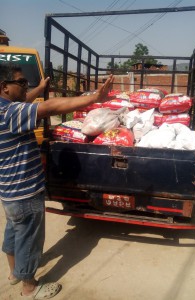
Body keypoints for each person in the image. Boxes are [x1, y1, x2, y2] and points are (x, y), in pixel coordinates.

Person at [0, 64, 114, 299]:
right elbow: (50, 107)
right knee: (30, 239)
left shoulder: (6, 107)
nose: (26, 87)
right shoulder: (11, 114)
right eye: (21, 83)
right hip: (25, 191)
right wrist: (96, 97)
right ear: (4, 87)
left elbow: (27, 100)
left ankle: (14, 275)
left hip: (9, 192)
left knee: (14, 232)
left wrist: (40, 88)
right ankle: (29, 287)